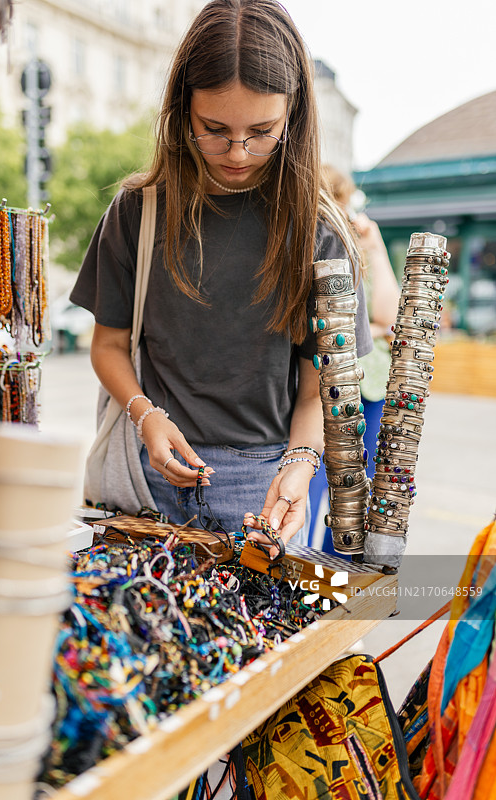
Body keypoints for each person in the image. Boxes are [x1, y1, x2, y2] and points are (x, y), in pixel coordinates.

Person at [70, 0, 372, 557]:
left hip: (263, 487)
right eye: (214, 129)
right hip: (144, 477)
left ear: (295, 115)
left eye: (262, 131)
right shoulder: (139, 210)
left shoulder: (320, 233)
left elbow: (319, 390)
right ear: (182, 110)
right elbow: (109, 346)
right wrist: (146, 416)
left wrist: (301, 467)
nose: (238, 152)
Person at [308, 165, 400, 553]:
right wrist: (373, 330)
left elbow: (391, 316)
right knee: (309, 477)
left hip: (369, 386)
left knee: (355, 490)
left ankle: (336, 571)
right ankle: (295, 565)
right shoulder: (309, 244)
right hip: (316, 387)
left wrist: (375, 247)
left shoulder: (359, 246)